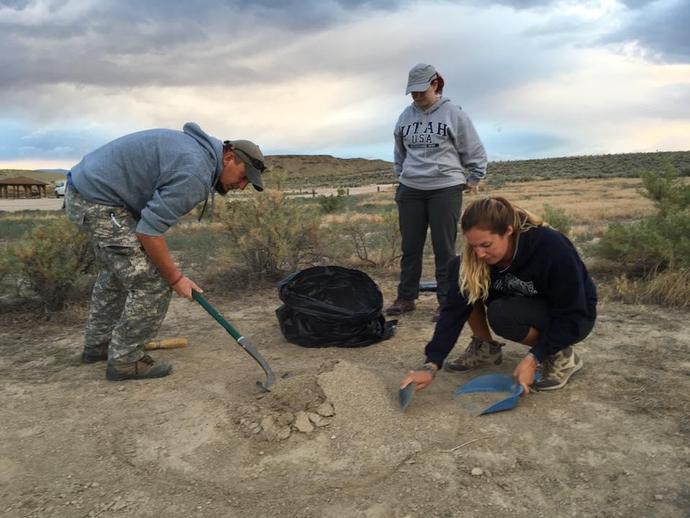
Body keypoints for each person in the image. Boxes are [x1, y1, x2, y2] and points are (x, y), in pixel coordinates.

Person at [65, 122, 267, 381]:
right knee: (152, 281)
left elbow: (149, 221)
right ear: (228, 158)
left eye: (248, 183)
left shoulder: (198, 155)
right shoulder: (195, 170)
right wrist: (175, 278)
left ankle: (99, 345)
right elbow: (149, 231)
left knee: (117, 273)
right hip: (98, 202)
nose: (241, 186)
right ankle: (126, 360)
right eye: (243, 177)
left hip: (90, 193)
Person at [401, 196, 597, 395]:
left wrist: (534, 357)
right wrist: (431, 365)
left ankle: (558, 354)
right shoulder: (475, 259)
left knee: (502, 314)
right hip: (520, 304)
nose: (479, 254)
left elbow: (573, 312)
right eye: (473, 246)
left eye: (486, 245)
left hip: (572, 316)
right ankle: (486, 348)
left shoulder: (551, 248)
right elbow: (453, 312)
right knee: (460, 271)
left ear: (508, 231)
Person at [387, 63, 488, 322]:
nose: (417, 96)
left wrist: (474, 176)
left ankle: (446, 301)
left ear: (435, 84)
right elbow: (399, 152)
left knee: (444, 248)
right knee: (410, 246)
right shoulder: (405, 117)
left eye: (422, 90)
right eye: (413, 92)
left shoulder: (453, 113)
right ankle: (406, 297)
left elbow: (473, 148)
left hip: (444, 187)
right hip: (411, 188)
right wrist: (403, 175)